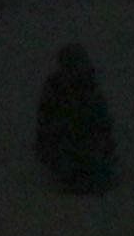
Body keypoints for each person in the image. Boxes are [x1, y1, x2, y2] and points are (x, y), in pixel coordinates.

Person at [32, 42, 118, 194]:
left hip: (87, 144)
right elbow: (45, 119)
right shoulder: (55, 87)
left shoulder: (88, 85)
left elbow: (101, 120)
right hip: (65, 144)